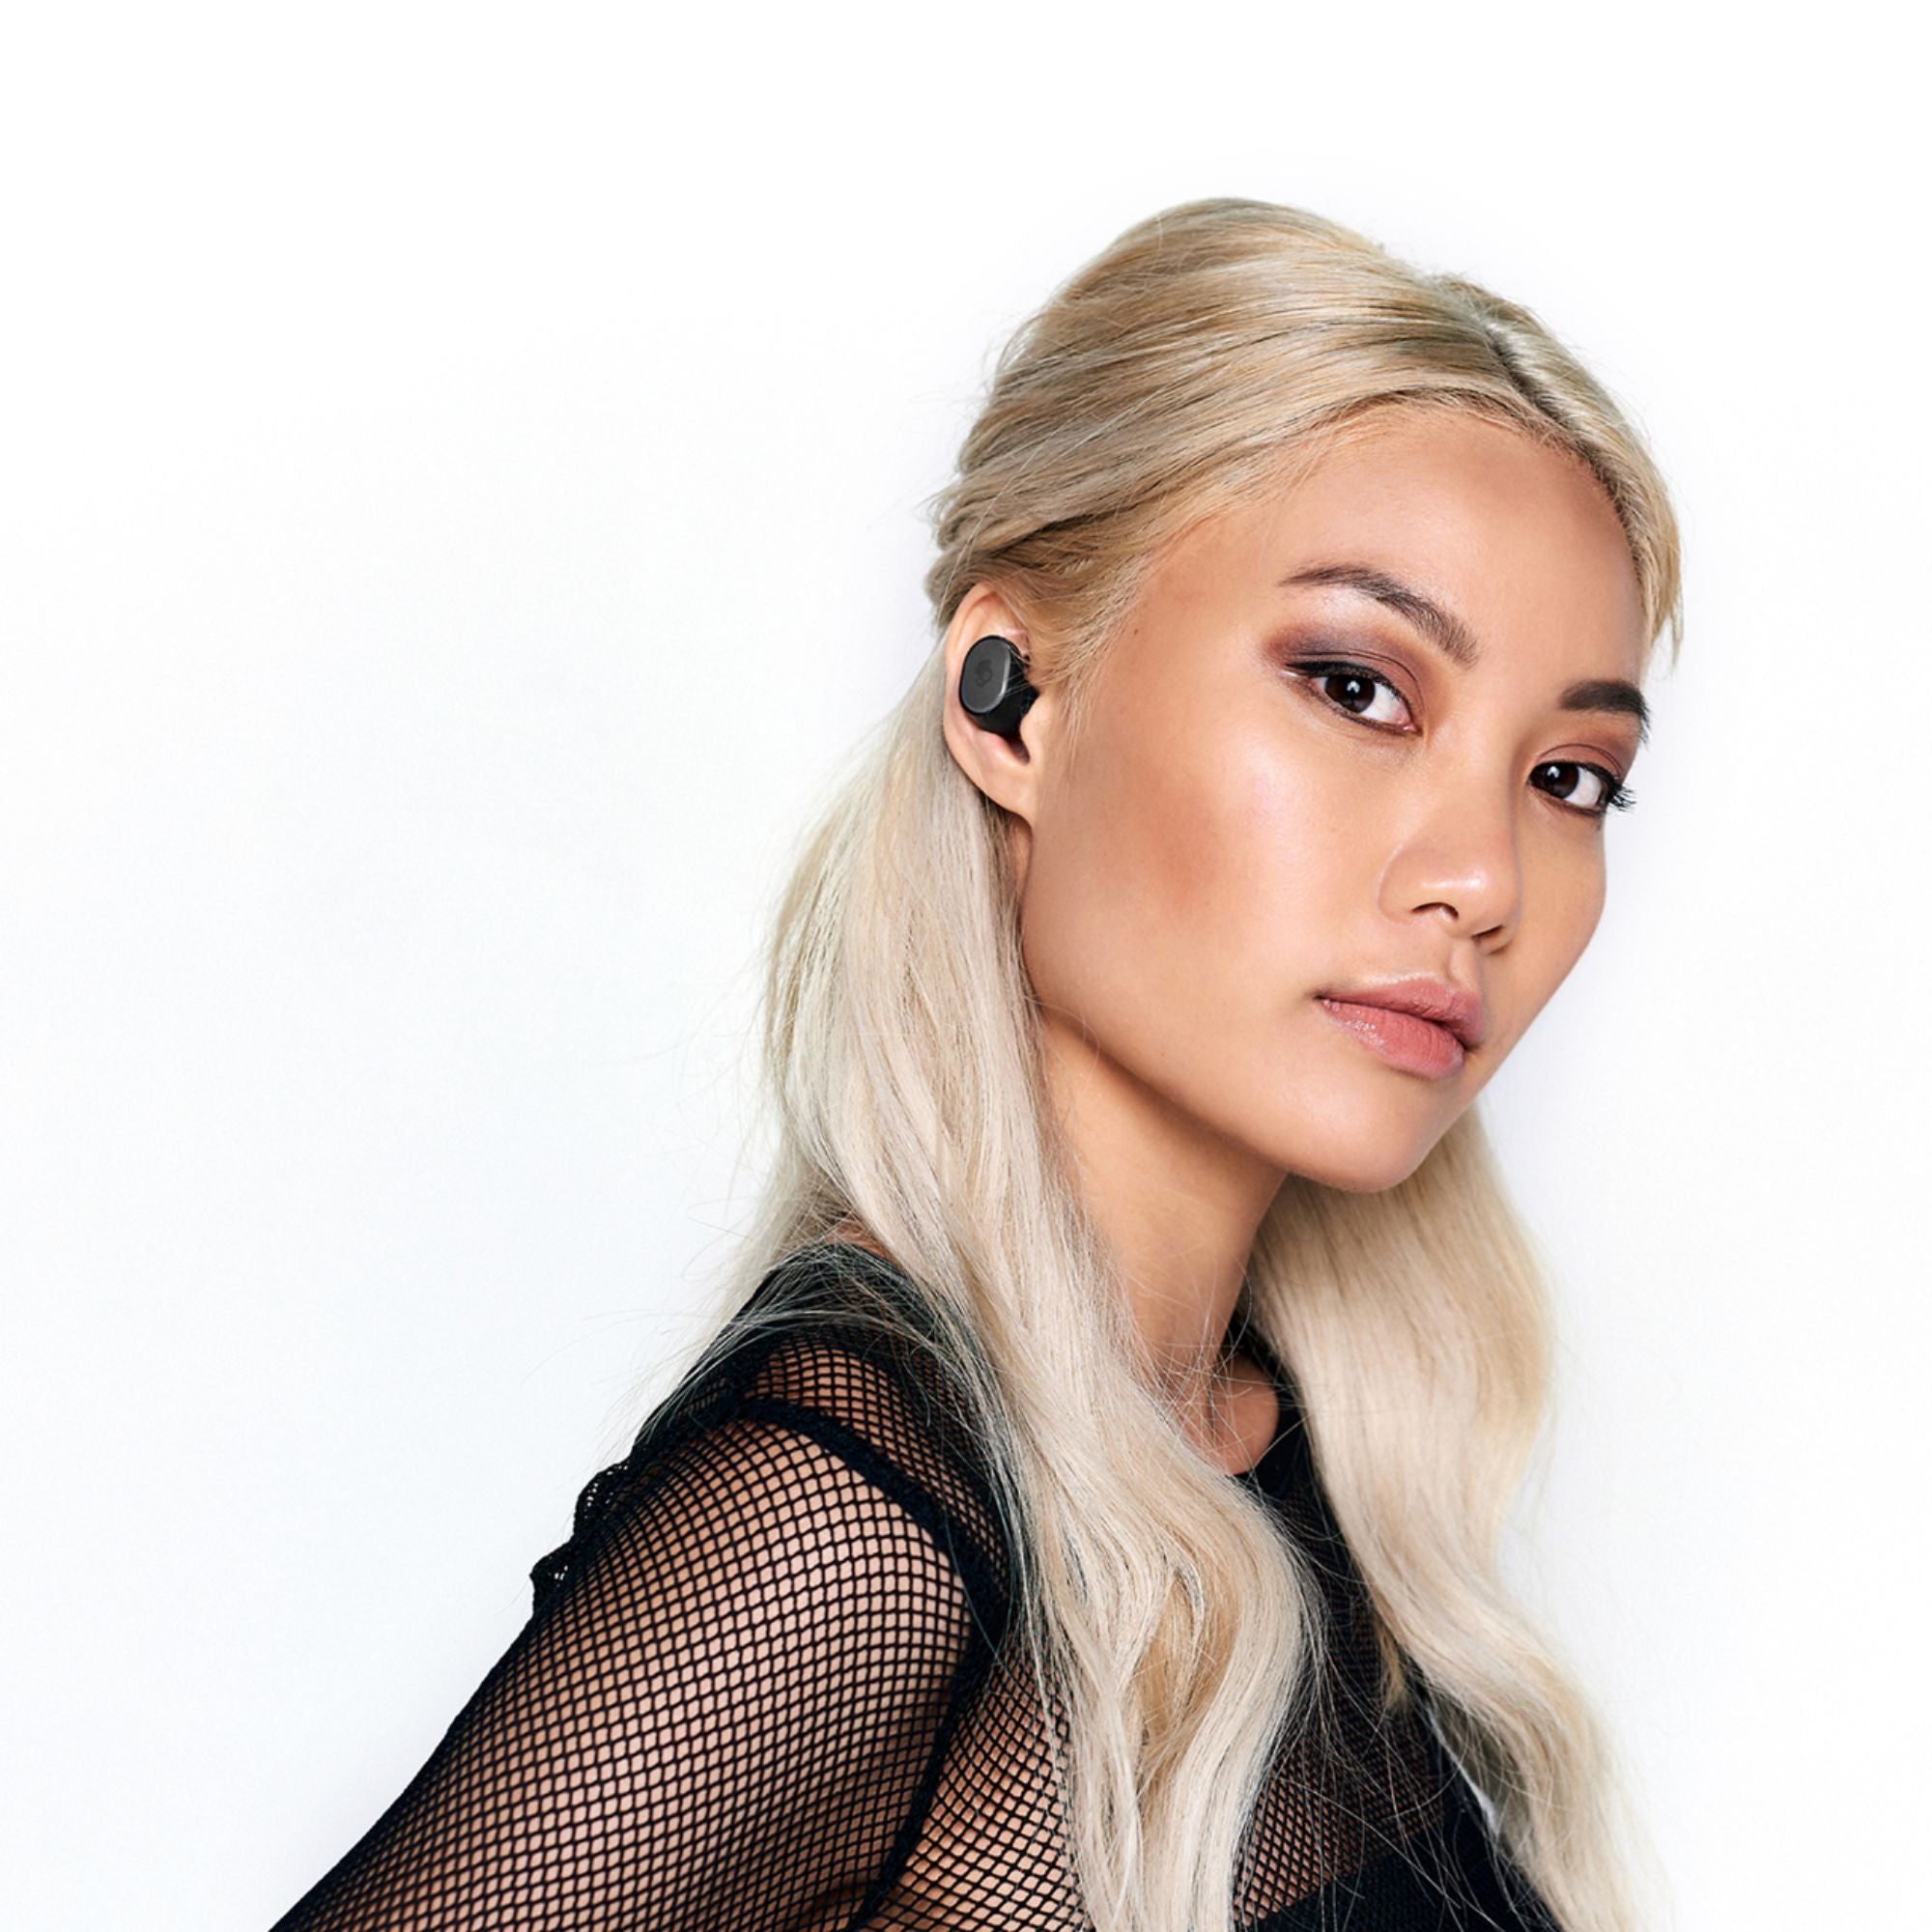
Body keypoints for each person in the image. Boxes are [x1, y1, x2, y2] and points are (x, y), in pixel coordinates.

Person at [267, 196, 1682, 1932]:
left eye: (1569, 778)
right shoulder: (851, 1521)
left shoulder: (1278, 1454)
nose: (1483, 878)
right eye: (1356, 688)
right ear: (1011, 699)